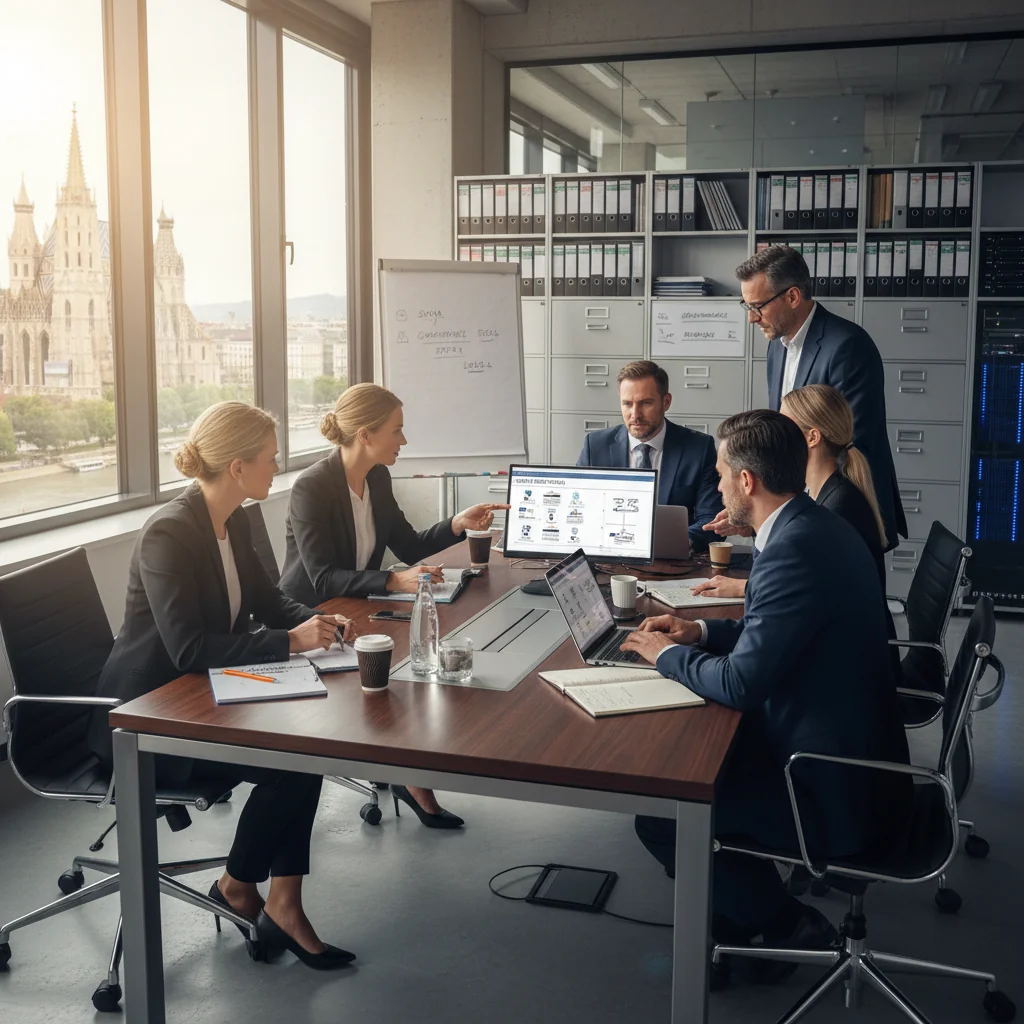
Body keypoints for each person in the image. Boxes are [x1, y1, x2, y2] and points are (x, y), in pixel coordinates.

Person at [621, 410, 910, 986]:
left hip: (831, 786)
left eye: (723, 473)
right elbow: (776, 632)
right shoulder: (811, 526)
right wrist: (697, 632)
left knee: (663, 814)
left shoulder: (793, 549)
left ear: (747, 482)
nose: (720, 483)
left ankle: (782, 923)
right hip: (854, 753)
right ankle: (736, 927)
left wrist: (663, 657)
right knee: (701, 768)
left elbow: (740, 684)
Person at [89, 402, 359, 970]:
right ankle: (239, 887)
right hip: (148, 715)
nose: (277, 464)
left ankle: (283, 902)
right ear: (237, 467)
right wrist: (290, 643)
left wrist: (318, 623)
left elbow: (267, 602)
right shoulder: (169, 532)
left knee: (305, 748)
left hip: (207, 696)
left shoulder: (233, 518)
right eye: (269, 457)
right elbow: (187, 649)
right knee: (291, 763)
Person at [279, 382, 509, 828]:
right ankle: (410, 776)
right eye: (396, 431)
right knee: (405, 665)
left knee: (418, 659)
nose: (403, 441)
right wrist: (392, 580)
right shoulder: (312, 487)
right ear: (365, 434)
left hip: (359, 605)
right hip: (314, 616)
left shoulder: (377, 478)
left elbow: (408, 544)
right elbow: (321, 576)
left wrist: (456, 524)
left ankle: (410, 772)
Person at [703, 246, 905, 552]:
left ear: (792, 297)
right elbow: (780, 444)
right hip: (799, 513)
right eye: (747, 307)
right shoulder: (777, 345)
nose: (752, 319)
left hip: (841, 512)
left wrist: (775, 513)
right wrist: (756, 508)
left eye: (758, 306)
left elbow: (848, 445)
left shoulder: (847, 346)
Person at [694, 384, 888, 600]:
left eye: (786, 424)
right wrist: (753, 525)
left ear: (812, 437)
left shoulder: (839, 504)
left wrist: (746, 587)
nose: (776, 432)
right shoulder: (820, 489)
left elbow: (811, 585)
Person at [575, 360, 724, 549]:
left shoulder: (698, 448)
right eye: (627, 404)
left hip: (670, 558)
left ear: (666, 402)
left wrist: (672, 542)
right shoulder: (595, 446)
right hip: (610, 553)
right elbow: (579, 509)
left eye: (645, 403)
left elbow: (711, 519)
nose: (635, 414)